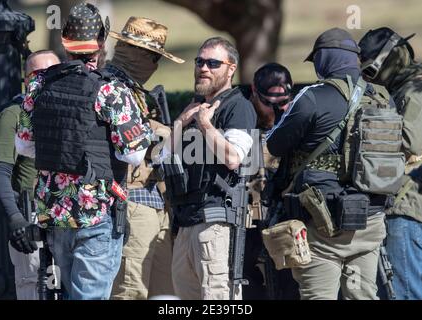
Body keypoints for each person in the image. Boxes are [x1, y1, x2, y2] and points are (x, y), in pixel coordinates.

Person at [15, 3, 153, 300]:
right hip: (96, 214)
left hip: (53, 213)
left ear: (65, 43)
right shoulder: (110, 90)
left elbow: (24, 147)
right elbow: (134, 155)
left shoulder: (38, 84)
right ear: (100, 44)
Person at [266, 28, 393, 300]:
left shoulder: (312, 96)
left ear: (323, 60)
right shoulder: (382, 97)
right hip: (370, 221)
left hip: (322, 224)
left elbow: (274, 144)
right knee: (363, 296)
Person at [166, 37, 257, 300]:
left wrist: (205, 125)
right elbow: (162, 158)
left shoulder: (238, 106)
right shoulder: (194, 107)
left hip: (215, 224)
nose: (204, 68)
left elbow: (233, 158)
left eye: (213, 63)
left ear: (231, 69)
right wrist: (181, 122)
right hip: (185, 223)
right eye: (200, 61)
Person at [105, 16, 184, 300]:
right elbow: (123, 134)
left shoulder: (135, 91)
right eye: (153, 58)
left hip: (155, 202)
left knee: (167, 294)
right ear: (139, 55)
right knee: (130, 290)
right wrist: (163, 131)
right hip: (130, 202)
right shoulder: (111, 87)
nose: (154, 67)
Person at [0, 50, 60, 300]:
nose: (45, 79)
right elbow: (0, 171)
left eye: (53, 72)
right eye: (38, 74)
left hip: (67, 219)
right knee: (35, 290)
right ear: (26, 78)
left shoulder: (67, 110)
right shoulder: (13, 113)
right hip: (32, 220)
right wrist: (16, 219)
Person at [359, 27, 422, 300]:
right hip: (407, 205)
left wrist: (366, 122)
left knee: (405, 291)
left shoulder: (414, 90)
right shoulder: (406, 88)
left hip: (407, 208)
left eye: (368, 71)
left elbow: (411, 141)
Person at [242, 62, 300, 300]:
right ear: (254, 91)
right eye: (269, 103)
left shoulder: (297, 121)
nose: (277, 110)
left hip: (285, 222)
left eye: (284, 102)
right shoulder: (240, 119)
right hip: (248, 224)